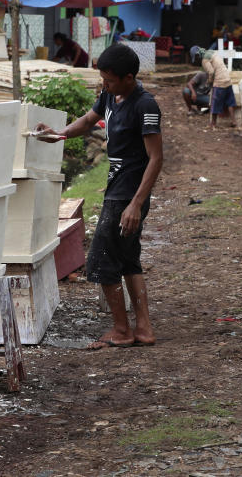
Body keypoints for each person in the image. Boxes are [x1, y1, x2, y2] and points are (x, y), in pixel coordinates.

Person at [34, 43, 163, 350]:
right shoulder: (109, 95)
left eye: (110, 79)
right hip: (117, 189)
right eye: (102, 78)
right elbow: (89, 121)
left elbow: (156, 159)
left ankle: (121, 330)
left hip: (127, 195)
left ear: (129, 77)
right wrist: (60, 133)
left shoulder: (145, 105)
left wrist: (134, 204)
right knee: (128, 258)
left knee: (101, 259)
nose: (103, 84)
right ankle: (143, 329)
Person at [201, 48, 236, 128]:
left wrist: (209, 82)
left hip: (219, 82)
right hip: (228, 79)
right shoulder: (214, 53)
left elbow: (211, 72)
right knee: (230, 101)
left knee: (215, 103)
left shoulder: (205, 60)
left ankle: (213, 123)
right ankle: (233, 121)